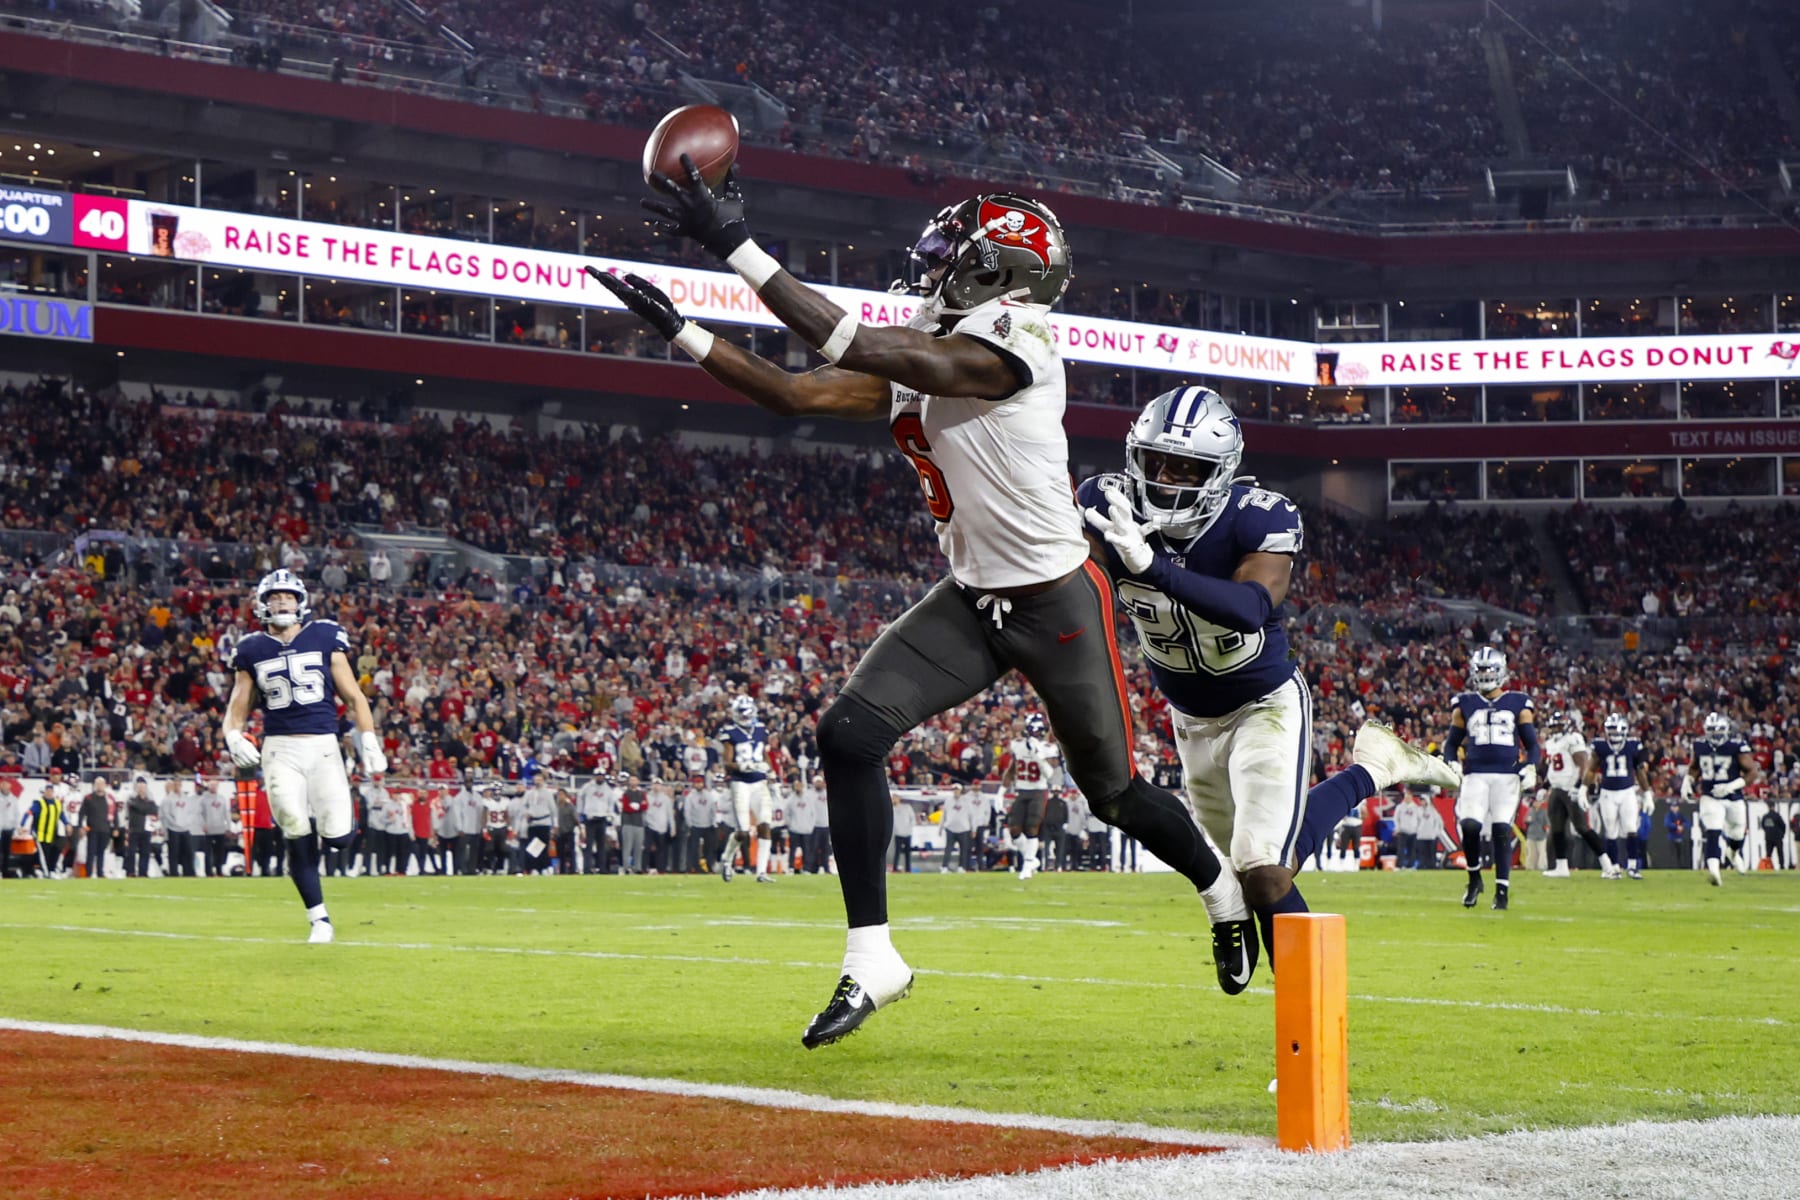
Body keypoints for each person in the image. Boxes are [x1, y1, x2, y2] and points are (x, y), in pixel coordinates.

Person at [594, 169, 1254, 1047]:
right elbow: (801, 392)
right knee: (848, 736)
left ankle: (1220, 891)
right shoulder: (929, 330)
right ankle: (873, 957)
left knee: (1115, 795)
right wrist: (683, 330)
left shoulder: (1017, 343)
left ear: (1002, 274)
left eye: (958, 252)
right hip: (972, 595)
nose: (935, 261)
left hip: (1055, 597)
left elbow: (863, 351)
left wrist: (735, 249)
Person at [1079, 385, 1460, 955]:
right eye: (1154, 460)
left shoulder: (1258, 516)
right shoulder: (1104, 502)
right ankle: (1372, 767)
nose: (1164, 478)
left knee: (1266, 872)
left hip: (1263, 704)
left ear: (1221, 472)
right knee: (1244, 867)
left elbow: (1251, 608)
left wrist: (1149, 564)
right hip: (1188, 716)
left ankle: (1316, 1025)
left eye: (1185, 467)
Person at [222, 569, 386, 943]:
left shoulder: (325, 635)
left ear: (300, 601)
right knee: (295, 827)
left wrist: (370, 740)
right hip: (280, 749)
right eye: (274, 597)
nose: (281, 603)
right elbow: (237, 706)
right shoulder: (251, 648)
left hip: (324, 746)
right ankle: (319, 919)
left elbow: (354, 696)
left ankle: (339, 826)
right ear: (263, 604)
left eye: (287, 597)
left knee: (339, 839)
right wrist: (233, 736)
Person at [1441, 645, 1540, 911]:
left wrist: (1530, 766)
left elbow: (1532, 744)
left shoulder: (1519, 701)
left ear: (1501, 671)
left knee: (1500, 829)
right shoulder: (1464, 703)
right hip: (1475, 775)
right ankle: (1474, 879)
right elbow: (1451, 743)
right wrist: (1451, 761)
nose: (1485, 675)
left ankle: (1502, 891)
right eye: (1481, 670)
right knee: (1470, 826)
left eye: (1489, 669)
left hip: (1507, 776)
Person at [1686, 711, 1760, 886]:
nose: (1714, 735)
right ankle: (1714, 869)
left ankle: (1732, 853)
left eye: (1717, 730)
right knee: (1713, 829)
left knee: (1738, 832)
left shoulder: (1736, 746)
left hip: (1733, 796)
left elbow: (1752, 772)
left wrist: (1731, 786)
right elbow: (1694, 767)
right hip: (1710, 795)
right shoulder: (1699, 745)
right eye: (1711, 730)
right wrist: (1687, 781)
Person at [1539, 710, 1612, 878]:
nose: (1555, 730)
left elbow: (1583, 764)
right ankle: (1561, 866)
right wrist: (1545, 786)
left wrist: (1579, 786)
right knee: (1556, 829)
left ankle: (1607, 864)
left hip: (1570, 789)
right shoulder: (1551, 743)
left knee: (1582, 827)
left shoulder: (1573, 739)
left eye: (1558, 726)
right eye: (1553, 727)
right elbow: (1553, 769)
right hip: (1557, 788)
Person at [716, 695, 776, 883]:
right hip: (740, 782)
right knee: (742, 832)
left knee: (765, 825)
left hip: (759, 782)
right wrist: (743, 767)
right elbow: (727, 763)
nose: (744, 717)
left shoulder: (760, 729)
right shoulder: (730, 732)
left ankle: (761, 872)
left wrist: (770, 769)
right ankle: (727, 859)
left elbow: (764, 755)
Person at [1586, 713, 1651, 881]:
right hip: (1607, 793)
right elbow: (1592, 769)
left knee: (1631, 828)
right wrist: (1583, 789)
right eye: (1611, 730)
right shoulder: (1600, 746)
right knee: (1611, 831)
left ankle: (1632, 866)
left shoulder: (1632, 745)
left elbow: (1640, 771)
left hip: (1627, 791)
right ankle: (1614, 867)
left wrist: (1648, 793)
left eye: (1617, 729)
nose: (1614, 733)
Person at [999, 714, 1058, 880]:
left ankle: (1027, 864)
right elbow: (1011, 770)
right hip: (1022, 790)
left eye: (1037, 730)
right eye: (1032, 729)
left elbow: (1050, 774)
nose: (1034, 733)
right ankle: (1031, 859)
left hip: (1038, 791)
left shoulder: (1048, 748)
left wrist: (1039, 758)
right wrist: (1001, 792)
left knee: (1032, 826)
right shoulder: (1017, 746)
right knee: (1014, 829)